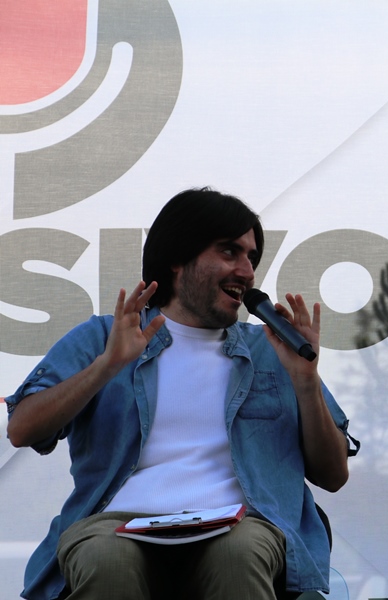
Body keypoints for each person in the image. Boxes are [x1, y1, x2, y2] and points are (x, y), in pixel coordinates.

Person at [6, 187, 359, 600]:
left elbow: (333, 475)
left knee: (239, 555)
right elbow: (22, 429)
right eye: (229, 252)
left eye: (252, 258)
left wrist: (305, 381)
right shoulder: (104, 337)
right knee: (107, 560)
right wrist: (107, 366)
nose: (247, 271)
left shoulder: (273, 349)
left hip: (242, 524)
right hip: (115, 523)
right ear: (177, 258)